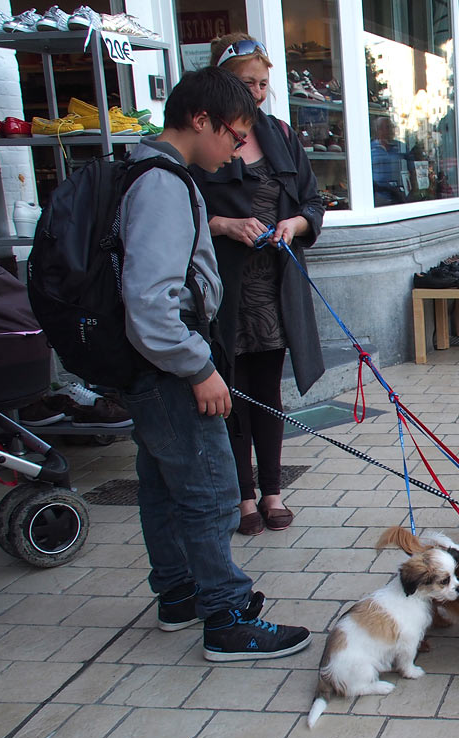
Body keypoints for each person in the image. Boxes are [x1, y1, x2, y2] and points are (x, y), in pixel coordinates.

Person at [118, 66, 312, 660]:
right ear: (200, 121)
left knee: (160, 483)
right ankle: (225, 618)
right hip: (171, 365)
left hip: (150, 367)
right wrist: (199, 366)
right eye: (232, 134)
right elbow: (151, 301)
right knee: (211, 490)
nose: (234, 149)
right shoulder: (163, 184)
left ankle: (177, 595)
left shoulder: (145, 167)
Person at [192, 33, 326, 538]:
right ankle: (242, 498)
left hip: (274, 285)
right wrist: (225, 226)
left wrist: (294, 225)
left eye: (265, 84)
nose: (258, 92)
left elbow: (313, 204)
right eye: (248, 83)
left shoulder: (282, 135)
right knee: (230, 393)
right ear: (223, 82)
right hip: (221, 288)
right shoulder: (203, 138)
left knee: (267, 391)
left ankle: (272, 492)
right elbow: (179, 216)